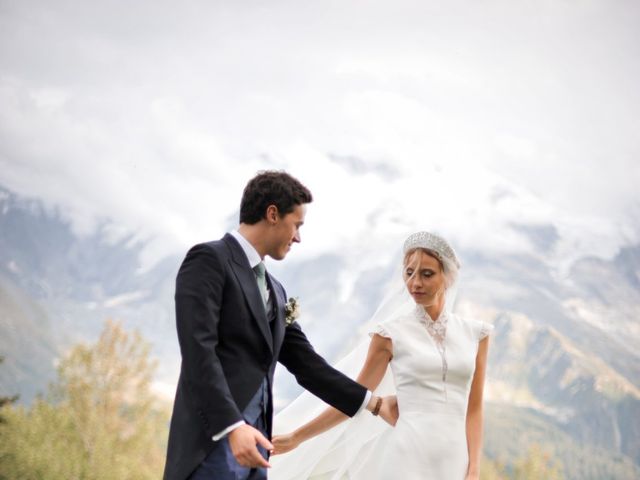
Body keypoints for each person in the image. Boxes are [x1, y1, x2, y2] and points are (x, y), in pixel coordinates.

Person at [162, 171, 396, 480]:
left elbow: (308, 365)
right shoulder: (209, 260)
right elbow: (198, 353)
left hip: (257, 450)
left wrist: (375, 404)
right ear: (273, 214)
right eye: (297, 224)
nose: (298, 237)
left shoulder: (276, 290)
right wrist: (232, 426)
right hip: (212, 444)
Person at [270, 231, 493, 480]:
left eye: (426, 274)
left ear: (448, 278)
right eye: (409, 273)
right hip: (406, 456)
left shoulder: (477, 334)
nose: (415, 283)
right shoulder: (389, 334)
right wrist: (298, 436)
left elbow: (474, 409)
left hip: (456, 459)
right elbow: (351, 398)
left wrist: (474, 468)